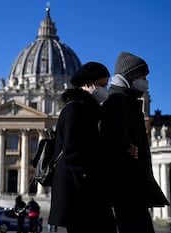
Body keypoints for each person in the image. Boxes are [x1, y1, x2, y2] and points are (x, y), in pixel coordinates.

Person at [101, 52, 170, 233]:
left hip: (132, 182)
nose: (145, 81)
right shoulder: (117, 100)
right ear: (130, 77)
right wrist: (124, 147)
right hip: (127, 184)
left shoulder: (126, 100)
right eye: (142, 76)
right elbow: (111, 137)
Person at [48, 62, 117, 233]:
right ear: (87, 84)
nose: (105, 89)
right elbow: (73, 153)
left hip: (85, 191)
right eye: (101, 85)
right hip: (81, 194)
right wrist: (90, 183)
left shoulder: (87, 109)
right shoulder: (75, 109)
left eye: (106, 85)